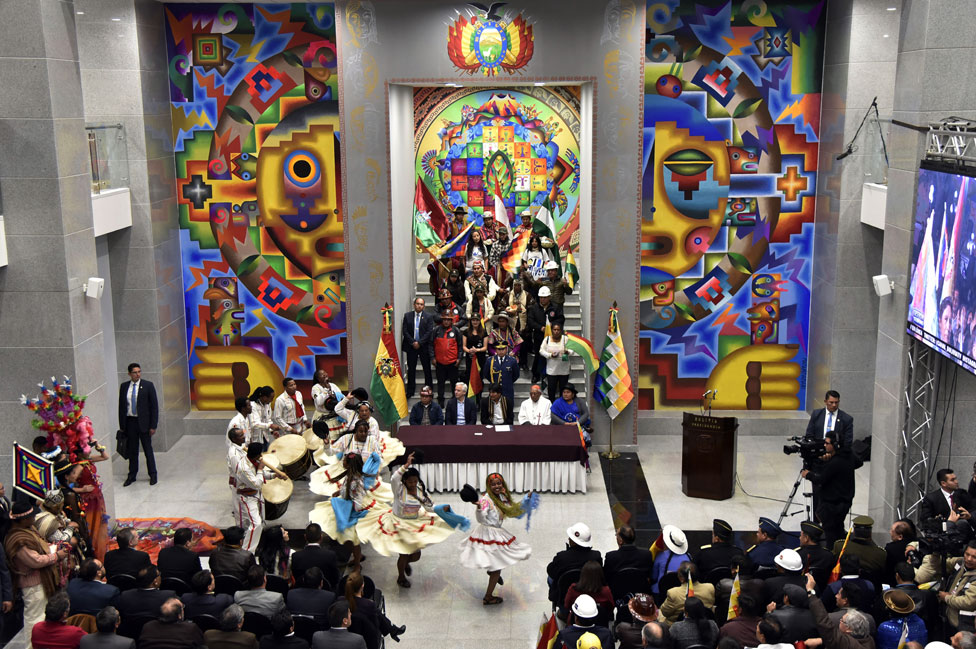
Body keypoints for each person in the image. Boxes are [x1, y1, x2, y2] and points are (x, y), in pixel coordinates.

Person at [358, 452, 457, 587]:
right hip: (399, 524)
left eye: (415, 481)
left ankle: (405, 564)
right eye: (410, 481)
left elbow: (429, 506)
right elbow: (394, 478)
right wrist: (406, 465)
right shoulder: (398, 488)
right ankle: (401, 577)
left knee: (415, 556)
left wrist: (440, 509)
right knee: (403, 554)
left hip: (415, 524)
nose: (412, 483)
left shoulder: (420, 489)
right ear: (404, 480)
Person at [459, 473, 533, 605]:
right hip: (489, 534)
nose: (497, 486)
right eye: (493, 484)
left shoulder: (502, 496)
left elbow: (512, 510)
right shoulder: (486, 501)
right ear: (489, 486)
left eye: (499, 483)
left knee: (496, 562)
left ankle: (492, 572)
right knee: (497, 567)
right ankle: (488, 597)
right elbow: (481, 519)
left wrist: (525, 499)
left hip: (495, 532)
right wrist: (479, 507)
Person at [5, 499, 71, 635]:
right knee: (34, 619)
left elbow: (41, 548)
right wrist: (56, 556)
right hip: (32, 586)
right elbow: (35, 560)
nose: (34, 518)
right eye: (31, 517)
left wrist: (52, 549)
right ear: (23, 520)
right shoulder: (18, 540)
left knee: (41, 617)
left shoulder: (28, 529)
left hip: (40, 581)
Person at [802, 432, 856, 547]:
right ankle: (840, 549)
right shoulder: (848, 456)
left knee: (830, 533)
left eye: (827, 443)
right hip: (845, 502)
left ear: (835, 445)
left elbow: (821, 479)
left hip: (832, 505)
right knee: (839, 529)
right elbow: (858, 462)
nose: (824, 446)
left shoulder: (835, 462)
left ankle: (832, 555)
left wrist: (808, 474)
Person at [236, 442, 289, 554]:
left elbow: (261, 475)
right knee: (256, 524)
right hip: (247, 497)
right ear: (256, 455)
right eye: (260, 454)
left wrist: (274, 475)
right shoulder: (243, 467)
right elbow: (257, 484)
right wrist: (260, 469)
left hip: (256, 495)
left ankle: (258, 545)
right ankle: (247, 551)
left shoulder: (253, 461)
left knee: (261, 521)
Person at [913, 539, 976, 633]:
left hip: (964, 627)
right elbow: (939, 565)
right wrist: (935, 553)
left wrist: (946, 598)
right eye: (967, 554)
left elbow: (968, 602)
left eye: (974, 557)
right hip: (948, 619)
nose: (969, 559)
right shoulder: (960, 562)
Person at [803, 573, 874, 649]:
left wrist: (811, 592)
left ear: (849, 629)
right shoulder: (870, 625)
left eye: (842, 621)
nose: (836, 596)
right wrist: (822, 641)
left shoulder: (847, 643)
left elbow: (823, 621)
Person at [118, 362, 159, 486]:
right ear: (129, 374)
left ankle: (153, 474)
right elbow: (121, 407)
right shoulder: (124, 386)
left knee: (148, 450)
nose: (137, 374)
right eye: (135, 372)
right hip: (130, 422)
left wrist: (153, 425)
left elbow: (154, 407)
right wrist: (122, 426)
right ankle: (132, 475)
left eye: (139, 372)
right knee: (132, 451)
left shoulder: (148, 386)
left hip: (144, 423)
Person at [340, 571, 405, 642]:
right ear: (362, 586)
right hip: (365, 639)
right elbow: (374, 627)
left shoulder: (339, 601)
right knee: (377, 613)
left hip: (344, 638)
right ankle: (392, 629)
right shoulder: (368, 605)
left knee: (376, 612)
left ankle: (392, 629)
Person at [546, 523, 603, 604]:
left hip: (564, 597)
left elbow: (550, 571)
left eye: (571, 538)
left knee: (550, 578)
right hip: (589, 594)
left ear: (573, 542)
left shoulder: (562, 557)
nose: (569, 539)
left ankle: (562, 611)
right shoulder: (596, 556)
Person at [830, 517, 886, 586]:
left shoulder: (840, 546)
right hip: (870, 590)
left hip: (842, 587)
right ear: (870, 533)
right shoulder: (880, 553)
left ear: (854, 532)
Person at [525, 285, 564, 382]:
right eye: (541, 298)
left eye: (544, 297)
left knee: (554, 354)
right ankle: (536, 374)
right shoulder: (534, 308)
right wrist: (540, 328)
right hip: (539, 336)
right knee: (539, 355)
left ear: (549, 297)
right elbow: (530, 321)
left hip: (553, 337)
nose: (542, 299)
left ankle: (553, 374)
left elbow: (561, 318)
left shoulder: (555, 307)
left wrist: (553, 325)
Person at [138, 597, 205, 649]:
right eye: (182, 608)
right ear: (179, 616)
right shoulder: (190, 629)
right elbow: (201, 643)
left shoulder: (148, 627)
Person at [401, 297, 434, 398]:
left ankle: (429, 388)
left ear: (424, 306)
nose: (419, 306)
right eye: (417, 304)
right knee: (411, 369)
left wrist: (419, 342)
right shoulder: (407, 316)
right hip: (411, 346)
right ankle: (410, 390)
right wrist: (413, 342)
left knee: (426, 368)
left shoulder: (428, 317)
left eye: (421, 304)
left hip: (423, 346)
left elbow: (429, 331)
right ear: (414, 305)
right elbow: (405, 331)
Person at [289, 523, 339, 589]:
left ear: (305, 537)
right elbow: (335, 579)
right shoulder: (330, 555)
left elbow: (297, 578)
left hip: (302, 590)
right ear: (321, 537)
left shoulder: (296, 556)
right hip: (325, 591)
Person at [432, 313, 463, 406]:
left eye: (448, 319)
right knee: (440, 383)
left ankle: (455, 400)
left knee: (454, 383)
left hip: (453, 362)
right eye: (444, 319)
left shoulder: (456, 331)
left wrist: (459, 358)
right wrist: (432, 358)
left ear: (451, 320)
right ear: (442, 320)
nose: (446, 321)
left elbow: (460, 346)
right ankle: (440, 400)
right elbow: (430, 345)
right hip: (439, 362)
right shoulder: (436, 330)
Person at [539, 323, 574, 402]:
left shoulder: (565, 339)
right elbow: (541, 351)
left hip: (564, 370)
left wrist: (568, 352)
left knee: (563, 390)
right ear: (552, 330)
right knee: (551, 389)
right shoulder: (547, 339)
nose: (556, 331)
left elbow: (573, 350)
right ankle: (552, 405)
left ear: (561, 331)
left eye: (558, 330)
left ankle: (562, 405)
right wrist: (550, 355)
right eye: (554, 329)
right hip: (552, 370)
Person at [795, 521, 836, 589]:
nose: (799, 538)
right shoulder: (829, 555)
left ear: (806, 538)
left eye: (801, 535)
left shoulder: (797, 554)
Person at [652, 524, 691, 594]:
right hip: (683, 594)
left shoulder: (661, 556)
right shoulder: (688, 557)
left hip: (661, 593)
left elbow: (654, 577)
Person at [482, 341, 519, 406]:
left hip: (507, 390)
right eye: (499, 349)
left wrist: (508, 381)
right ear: (496, 349)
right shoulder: (490, 360)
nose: (501, 351)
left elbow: (516, 375)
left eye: (503, 349)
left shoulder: (512, 361)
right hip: (494, 391)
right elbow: (486, 374)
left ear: (506, 349)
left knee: (508, 411)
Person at [462, 317, 488, 403]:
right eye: (473, 320)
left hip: (480, 359)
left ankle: (478, 400)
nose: (475, 322)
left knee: (479, 378)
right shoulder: (466, 331)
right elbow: (464, 346)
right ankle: (469, 400)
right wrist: (469, 351)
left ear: (479, 321)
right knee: (469, 377)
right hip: (470, 358)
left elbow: (485, 347)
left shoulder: (484, 332)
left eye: (477, 320)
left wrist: (477, 350)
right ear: (471, 321)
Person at [885, 520, 917, 584]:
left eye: (892, 531)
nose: (890, 532)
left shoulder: (891, 549)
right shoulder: (918, 545)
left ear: (900, 537)